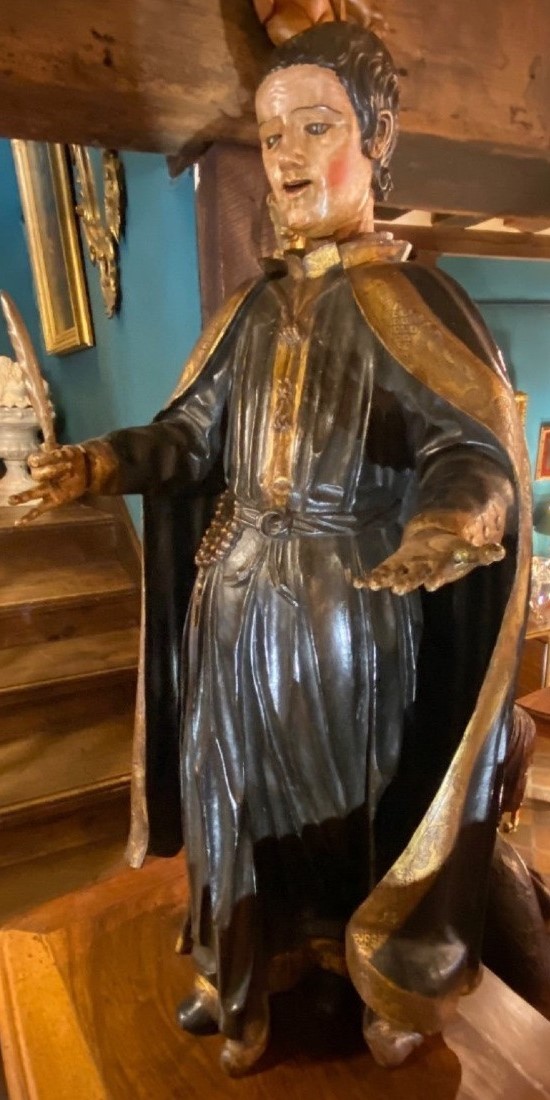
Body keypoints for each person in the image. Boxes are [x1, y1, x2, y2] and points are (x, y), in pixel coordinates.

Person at [12, 20, 530, 1076]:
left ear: (376, 140)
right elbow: (191, 438)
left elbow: (469, 451)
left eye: (317, 127)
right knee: (235, 795)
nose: (287, 155)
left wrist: (451, 520)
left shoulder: (418, 305)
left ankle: (381, 970)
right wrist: (102, 462)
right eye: (271, 132)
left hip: (352, 612)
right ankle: (241, 970)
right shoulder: (249, 312)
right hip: (238, 603)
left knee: (362, 802)